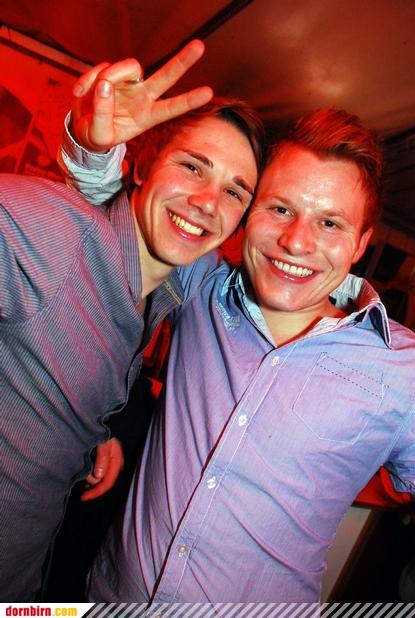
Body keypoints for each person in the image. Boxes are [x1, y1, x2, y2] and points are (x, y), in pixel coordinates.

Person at [63, 105, 415, 603]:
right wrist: (94, 147)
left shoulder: (402, 371)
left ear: (360, 244)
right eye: (280, 209)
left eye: (330, 223)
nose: (296, 242)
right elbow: (120, 223)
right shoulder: (201, 284)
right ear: (250, 213)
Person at [0, 41, 263, 601]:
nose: (207, 201)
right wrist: (88, 147)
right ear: (141, 165)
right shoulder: (48, 234)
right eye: (192, 166)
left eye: (234, 191)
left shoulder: (169, 286)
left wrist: (99, 433)